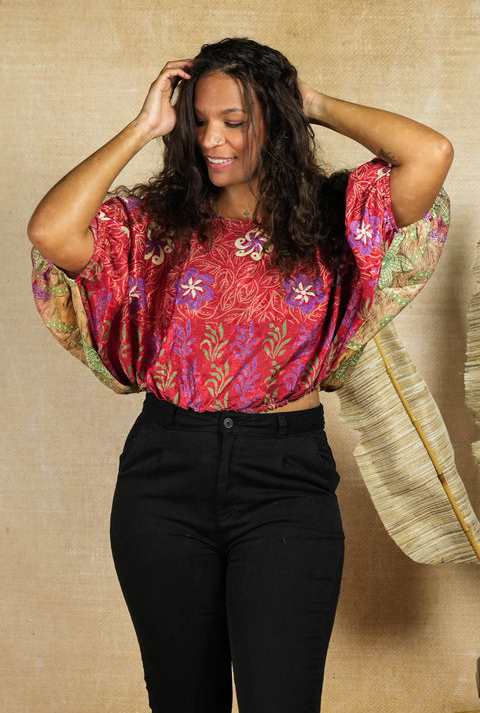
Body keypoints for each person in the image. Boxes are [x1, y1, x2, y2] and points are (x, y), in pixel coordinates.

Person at [28, 38, 453, 713]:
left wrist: (309, 102)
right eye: (199, 121)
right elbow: (52, 231)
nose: (210, 139)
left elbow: (430, 154)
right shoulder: (154, 226)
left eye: (234, 120)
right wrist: (143, 128)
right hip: (165, 475)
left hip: (285, 481)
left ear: (274, 122)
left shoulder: (336, 217)